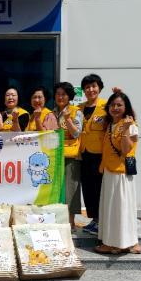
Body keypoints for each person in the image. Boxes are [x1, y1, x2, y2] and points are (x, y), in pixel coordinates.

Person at [94, 92, 140, 254]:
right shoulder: (111, 124)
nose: (115, 108)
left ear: (126, 107)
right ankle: (114, 242)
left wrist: (126, 129)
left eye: (119, 105)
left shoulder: (130, 125)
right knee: (111, 208)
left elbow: (126, 150)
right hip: (109, 171)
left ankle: (122, 243)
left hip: (121, 173)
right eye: (112, 105)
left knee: (121, 208)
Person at [78, 74, 107, 235]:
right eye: (87, 87)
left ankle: (103, 221)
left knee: (100, 188)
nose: (90, 90)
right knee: (88, 188)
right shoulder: (79, 108)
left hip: (100, 155)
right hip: (84, 154)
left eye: (93, 86)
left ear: (99, 88)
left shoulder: (106, 106)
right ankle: (95, 220)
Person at [53, 82, 83, 228]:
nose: (60, 97)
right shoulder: (52, 112)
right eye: (58, 94)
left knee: (71, 189)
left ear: (69, 96)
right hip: (55, 156)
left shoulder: (76, 111)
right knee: (56, 189)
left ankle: (70, 222)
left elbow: (76, 133)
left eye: (64, 94)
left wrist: (68, 119)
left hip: (71, 156)